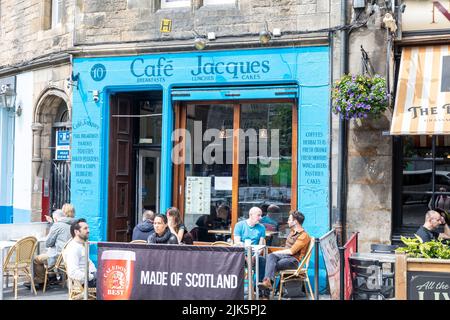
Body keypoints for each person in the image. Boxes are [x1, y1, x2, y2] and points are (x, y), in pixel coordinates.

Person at [258, 210, 311, 294]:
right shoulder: (292, 232)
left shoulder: (303, 236)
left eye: (289, 219)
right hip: (285, 258)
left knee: (270, 262)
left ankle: (266, 288)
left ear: (295, 221)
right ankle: (268, 284)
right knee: (270, 259)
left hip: (293, 261)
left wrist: (276, 253)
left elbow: (291, 251)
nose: (287, 221)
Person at [27, 209, 72, 289]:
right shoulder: (72, 224)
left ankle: (41, 281)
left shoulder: (57, 225)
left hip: (58, 257)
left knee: (37, 259)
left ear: (55, 219)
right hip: (68, 256)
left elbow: (48, 243)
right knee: (47, 255)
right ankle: (49, 277)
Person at [64, 218, 97, 288]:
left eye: (88, 228)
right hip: (85, 282)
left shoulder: (81, 245)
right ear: (76, 232)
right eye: (85, 228)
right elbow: (72, 272)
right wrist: (92, 276)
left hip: (91, 278)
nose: (88, 231)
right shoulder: (73, 248)